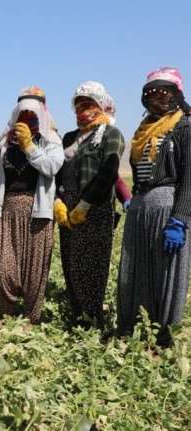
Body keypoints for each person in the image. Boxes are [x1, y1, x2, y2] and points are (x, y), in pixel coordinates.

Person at [117, 67, 191, 346]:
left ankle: (163, 339)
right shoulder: (142, 131)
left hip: (167, 207)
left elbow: (189, 177)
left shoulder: (184, 126)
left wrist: (180, 219)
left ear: (175, 95)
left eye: (163, 93)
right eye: (151, 94)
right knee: (133, 271)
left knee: (165, 274)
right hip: (140, 206)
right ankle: (132, 330)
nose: (157, 99)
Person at [0, 93, 64, 323]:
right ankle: (4, 314)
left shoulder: (51, 140)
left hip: (38, 213)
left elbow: (51, 167)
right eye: (22, 116)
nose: (26, 121)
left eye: (32, 117)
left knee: (34, 269)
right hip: (7, 210)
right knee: (2, 267)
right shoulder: (4, 142)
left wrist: (29, 147)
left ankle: (30, 318)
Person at [54, 81, 125, 326]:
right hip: (68, 206)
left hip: (95, 207)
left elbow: (108, 173)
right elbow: (58, 172)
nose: (83, 110)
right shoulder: (69, 137)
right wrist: (58, 201)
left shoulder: (110, 134)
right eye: (79, 105)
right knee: (70, 260)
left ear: (102, 105)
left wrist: (85, 204)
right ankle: (76, 312)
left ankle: (92, 316)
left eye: (89, 104)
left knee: (93, 263)